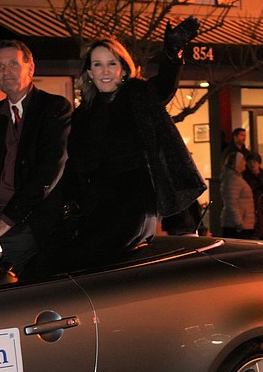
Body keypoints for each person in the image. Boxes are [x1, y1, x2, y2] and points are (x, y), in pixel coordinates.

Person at [47, 19, 205, 272]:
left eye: (112, 64)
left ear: (123, 69)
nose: (105, 71)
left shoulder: (136, 95)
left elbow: (162, 88)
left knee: (82, 260)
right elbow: (75, 165)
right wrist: (66, 206)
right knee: (60, 260)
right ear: (89, 72)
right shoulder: (83, 115)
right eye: (98, 65)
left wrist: (173, 53)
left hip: (134, 204)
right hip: (97, 206)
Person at [0, 40, 72, 277]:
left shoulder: (54, 107)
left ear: (31, 68)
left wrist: (3, 224)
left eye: (12, 64)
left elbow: (49, 170)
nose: (5, 72)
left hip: (32, 221)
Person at [220, 152, 255, 239]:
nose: (245, 163)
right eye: (242, 160)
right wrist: (238, 222)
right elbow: (231, 203)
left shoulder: (236, 178)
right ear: (237, 163)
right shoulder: (233, 179)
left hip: (242, 223)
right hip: (237, 226)